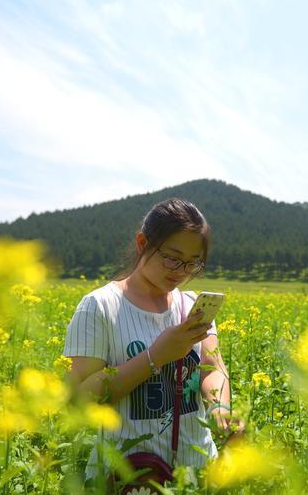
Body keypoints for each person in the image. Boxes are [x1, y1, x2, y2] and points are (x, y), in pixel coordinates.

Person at [62, 197, 242, 487]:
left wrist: (219, 408)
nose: (180, 271)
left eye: (192, 262)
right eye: (172, 257)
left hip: (197, 473)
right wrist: (155, 356)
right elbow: (79, 401)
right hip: (126, 477)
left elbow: (212, 368)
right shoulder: (100, 306)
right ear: (142, 243)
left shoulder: (192, 306)